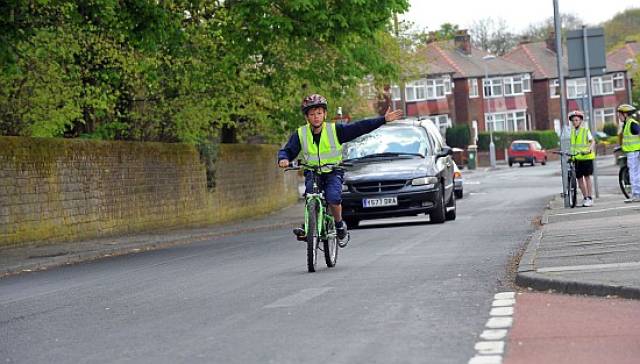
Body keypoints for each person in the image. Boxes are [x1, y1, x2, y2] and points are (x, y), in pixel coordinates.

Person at [278, 94, 403, 245]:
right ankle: (309, 227)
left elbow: (359, 127)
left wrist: (382, 120)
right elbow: (288, 150)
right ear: (307, 117)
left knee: (333, 198)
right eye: (312, 114)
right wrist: (283, 159)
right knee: (311, 194)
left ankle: (338, 225)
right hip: (312, 171)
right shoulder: (300, 134)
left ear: (324, 114)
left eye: (319, 113)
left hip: (333, 171)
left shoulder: (335, 130)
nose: (316, 117)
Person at [568, 110, 596, 207]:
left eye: (576, 120)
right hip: (577, 159)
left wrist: (589, 149)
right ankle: (585, 198)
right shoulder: (572, 132)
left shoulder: (585, 131)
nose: (574, 122)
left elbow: (592, 142)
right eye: (573, 120)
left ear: (580, 121)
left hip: (586, 158)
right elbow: (571, 146)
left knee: (587, 178)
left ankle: (590, 198)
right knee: (579, 180)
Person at [617, 103, 640, 203]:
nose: (619, 116)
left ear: (625, 114)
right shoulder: (627, 124)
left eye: (620, 114)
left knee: (634, 174)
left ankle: (636, 195)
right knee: (635, 173)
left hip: (634, 153)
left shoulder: (632, 123)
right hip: (632, 152)